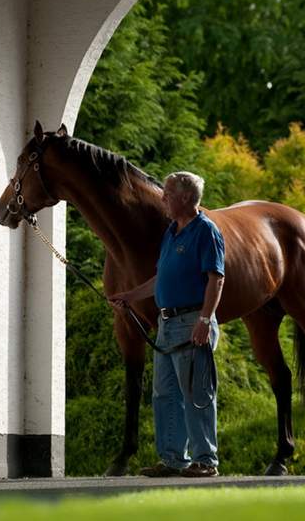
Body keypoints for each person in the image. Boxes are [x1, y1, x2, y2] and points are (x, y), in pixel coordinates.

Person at [110, 171, 225, 478]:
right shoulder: (172, 232)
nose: (162, 198)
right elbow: (161, 278)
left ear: (186, 198)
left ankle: (205, 460)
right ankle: (174, 459)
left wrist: (204, 319)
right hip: (167, 323)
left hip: (192, 321)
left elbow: (216, 280)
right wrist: (130, 296)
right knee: (165, 393)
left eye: (168, 194)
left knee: (196, 392)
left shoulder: (206, 231)